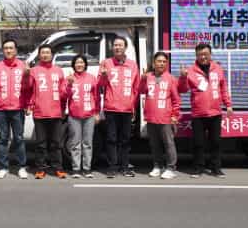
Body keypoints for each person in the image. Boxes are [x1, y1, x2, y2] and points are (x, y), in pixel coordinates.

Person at [178, 43, 232, 178]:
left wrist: (228, 104)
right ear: (196, 56)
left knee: (216, 142)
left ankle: (216, 168)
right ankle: (198, 168)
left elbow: (223, 88)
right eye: (200, 55)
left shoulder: (218, 69)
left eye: (206, 54)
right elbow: (183, 90)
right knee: (198, 143)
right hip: (198, 113)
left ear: (210, 54)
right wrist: (183, 77)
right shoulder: (190, 70)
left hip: (215, 112)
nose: (203, 57)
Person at [98, 36, 140, 178]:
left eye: (120, 45)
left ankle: (124, 166)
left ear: (125, 47)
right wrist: (103, 76)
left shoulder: (133, 65)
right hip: (111, 108)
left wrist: (133, 106)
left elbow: (136, 88)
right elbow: (100, 85)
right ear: (112, 48)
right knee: (111, 139)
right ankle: (112, 167)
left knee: (126, 140)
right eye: (115, 45)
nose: (117, 47)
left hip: (127, 109)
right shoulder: (106, 63)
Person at [0, 39, 29, 179]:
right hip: (1, 109)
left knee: (19, 138)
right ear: (3, 50)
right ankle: (3, 167)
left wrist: (28, 75)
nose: (8, 50)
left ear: (16, 50)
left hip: (18, 108)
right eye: (6, 48)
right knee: (3, 139)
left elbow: (28, 89)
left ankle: (22, 167)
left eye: (11, 48)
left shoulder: (23, 66)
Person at [26, 44, 68, 179]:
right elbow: (28, 90)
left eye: (47, 52)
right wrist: (26, 76)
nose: (45, 55)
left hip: (56, 112)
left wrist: (63, 108)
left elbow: (63, 93)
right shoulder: (34, 71)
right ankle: (41, 168)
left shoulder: (59, 71)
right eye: (42, 52)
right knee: (41, 143)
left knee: (56, 143)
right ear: (39, 55)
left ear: (52, 55)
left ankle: (58, 168)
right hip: (39, 112)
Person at [139, 52, 181, 179]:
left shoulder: (171, 78)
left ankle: (171, 168)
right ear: (154, 63)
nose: (161, 63)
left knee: (168, 143)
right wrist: (142, 79)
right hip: (151, 117)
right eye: (159, 61)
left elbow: (176, 100)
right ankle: (157, 166)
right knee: (154, 144)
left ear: (166, 64)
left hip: (166, 118)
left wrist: (175, 115)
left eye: (164, 61)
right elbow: (141, 91)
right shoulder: (149, 77)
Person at [65, 54, 100, 179]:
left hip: (89, 115)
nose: (79, 65)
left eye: (81, 62)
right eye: (77, 63)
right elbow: (65, 96)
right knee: (75, 143)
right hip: (74, 116)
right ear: (73, 65)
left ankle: (87, 168)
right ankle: (76, 169)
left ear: (85, 64)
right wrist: (69, 84)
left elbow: (96, 97)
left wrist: (97, 113)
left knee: (88, 143)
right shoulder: (70, 78)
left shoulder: (91, 78)